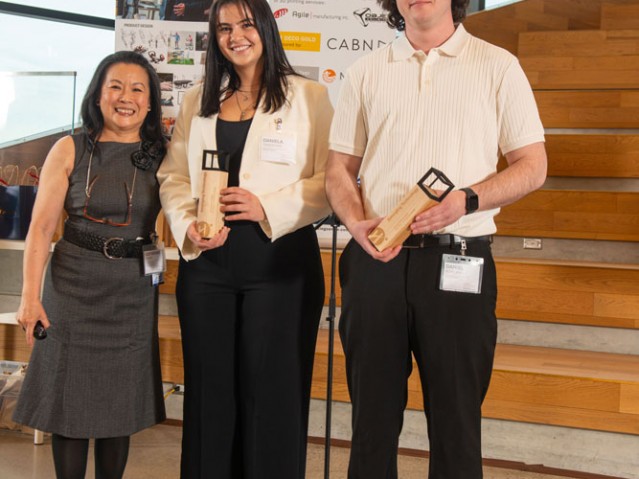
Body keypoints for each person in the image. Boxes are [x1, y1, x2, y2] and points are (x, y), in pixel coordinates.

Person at [325, 0, 547, 478]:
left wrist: (467, 199)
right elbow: (339, 169)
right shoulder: (366, 71)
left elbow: (533, 165)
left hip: (460, 259)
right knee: (371, 419)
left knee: (456, 420)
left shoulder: (498, 66)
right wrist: (353, 221)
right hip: (376, 258)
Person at [157, 0, 333, 477]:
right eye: (223, 28)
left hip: (280, 267)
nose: (236, 35)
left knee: (272, 395)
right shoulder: (198, 100)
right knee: (210, 395)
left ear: (266, 28)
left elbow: (331, 182)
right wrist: (186, 224)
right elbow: (173, 177)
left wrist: (267, 207)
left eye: (246, 24)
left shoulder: (311, 97)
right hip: (207, 265)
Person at [13, 51, 167, 479]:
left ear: (151, 101)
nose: (125, 97)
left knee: (120, 404)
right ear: (98, 95)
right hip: (72, 287)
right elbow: (42, 229)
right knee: (70, 402)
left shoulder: (164, 154)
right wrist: (30, 298)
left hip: (132, 290)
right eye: (115, 86)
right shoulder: (69, 147)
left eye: (138, 89)